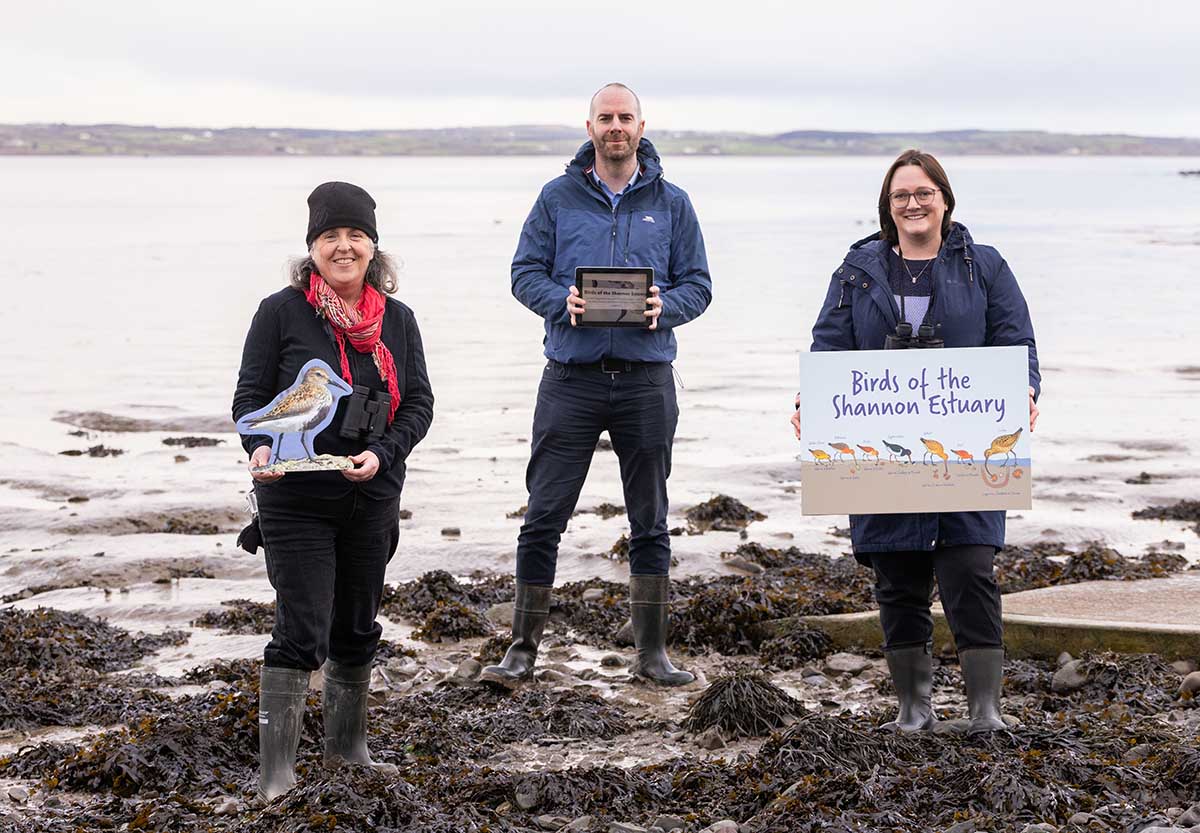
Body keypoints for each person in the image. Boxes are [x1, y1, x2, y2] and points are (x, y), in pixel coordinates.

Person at [794, 149, 1040, 734]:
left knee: (971, 570)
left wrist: (1025, 389)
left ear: (945, 199)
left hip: (967, 449)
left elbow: (1016, 340)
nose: (913, 204)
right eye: (901, 195)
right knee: (896, 576)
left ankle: (986, 709)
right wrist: (811, 399)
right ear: (888, 206)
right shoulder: (857, 270)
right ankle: (913, 708)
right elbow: (830, 345)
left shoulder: (985, 265)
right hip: (881, 450)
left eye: (923, 193)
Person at [481, 83, 712, 689]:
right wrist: (563, 300)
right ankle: (523, 648)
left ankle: (653, 655)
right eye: (605, 118)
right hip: (571, 380)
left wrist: (668, 304)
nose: (616, 126)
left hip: (646, 380)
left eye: (625, 117)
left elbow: (700, 284)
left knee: (651, 519)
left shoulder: (674, 203)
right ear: (589, 127)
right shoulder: (556, 198)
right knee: (543, 516)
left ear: (641, 126)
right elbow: (522, 273)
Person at [232, 181, 434, 800]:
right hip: (294, 503)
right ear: (312, 248)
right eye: (330, 237)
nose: (343, 247)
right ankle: (277, 773)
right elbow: (249, 400)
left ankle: (349, 752)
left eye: (355, 236)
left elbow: (419, 405)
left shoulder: (398, 321)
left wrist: (383, 453)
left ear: (373, 247)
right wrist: (259, 448)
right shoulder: (280, 312)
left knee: (356, 625)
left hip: (372, 496)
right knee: (302, 629)